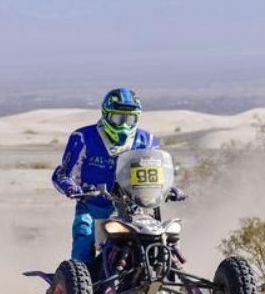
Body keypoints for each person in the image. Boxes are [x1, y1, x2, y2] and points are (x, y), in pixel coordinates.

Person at [52, 88, 184, 266]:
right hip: (93, 206)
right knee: (83, 246)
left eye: (130, 119)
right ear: (106, 115)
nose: (124, 125)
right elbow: (62, 174)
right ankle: (76, 280)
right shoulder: (84, 137)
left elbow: (154, 172)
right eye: (118, 118)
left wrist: (168, 188)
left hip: (135, 209)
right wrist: (71, 187)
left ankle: (172, 274)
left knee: (163, 242)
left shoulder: (147, 140)